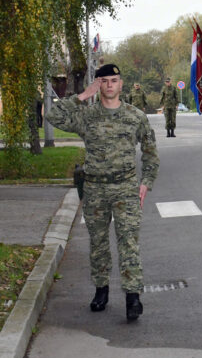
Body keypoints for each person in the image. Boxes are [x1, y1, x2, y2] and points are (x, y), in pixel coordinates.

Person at [45, 64, 159, 321]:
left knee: (128, 242)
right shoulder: (87, 116)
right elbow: (53, 117)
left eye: (114, 80)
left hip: (126, 187)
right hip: (95, 188)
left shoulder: (135, 116)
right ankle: (101, 291)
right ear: (98, 85)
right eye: (104, 81)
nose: (109, 85)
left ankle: (133, 297)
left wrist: (146, 182)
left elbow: (151, 152)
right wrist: (82, 96)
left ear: (121, 84)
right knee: (98, 243)